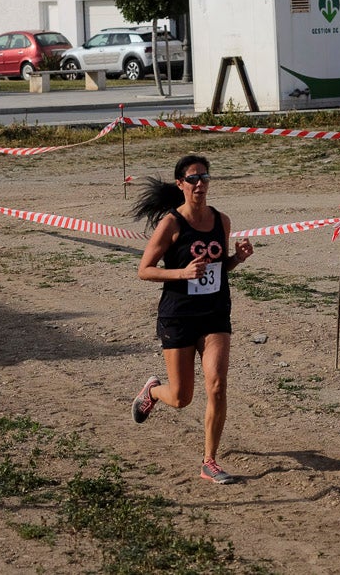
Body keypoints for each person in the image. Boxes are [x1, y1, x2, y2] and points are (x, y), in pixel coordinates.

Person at [129, 154, 254, 484]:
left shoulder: (221, 221)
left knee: (216, 384)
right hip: (179, 316)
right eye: (194, 178)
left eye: (205, 177)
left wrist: (236, 259)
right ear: (181, 184)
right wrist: (182, 272)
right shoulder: (171, 224)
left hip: (214, 314)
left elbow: (218, 268)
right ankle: (153, 392)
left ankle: (209, 461)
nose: (201, 183)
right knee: (182, 397)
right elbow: (144, 270)